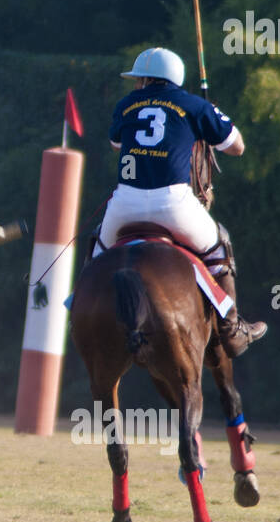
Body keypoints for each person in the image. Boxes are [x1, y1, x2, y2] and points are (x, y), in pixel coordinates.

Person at [98, 46, 266, 356]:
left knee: (98, 255)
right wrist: (207, 118)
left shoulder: (126, 105)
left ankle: (79, 313)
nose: (136, 85)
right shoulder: (194, 105)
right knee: (219, 246)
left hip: (125, 205)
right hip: (174, 205)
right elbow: (237, 147)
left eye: (139, 79)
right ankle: (232, 330)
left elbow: (115, 144)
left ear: (149, 80)